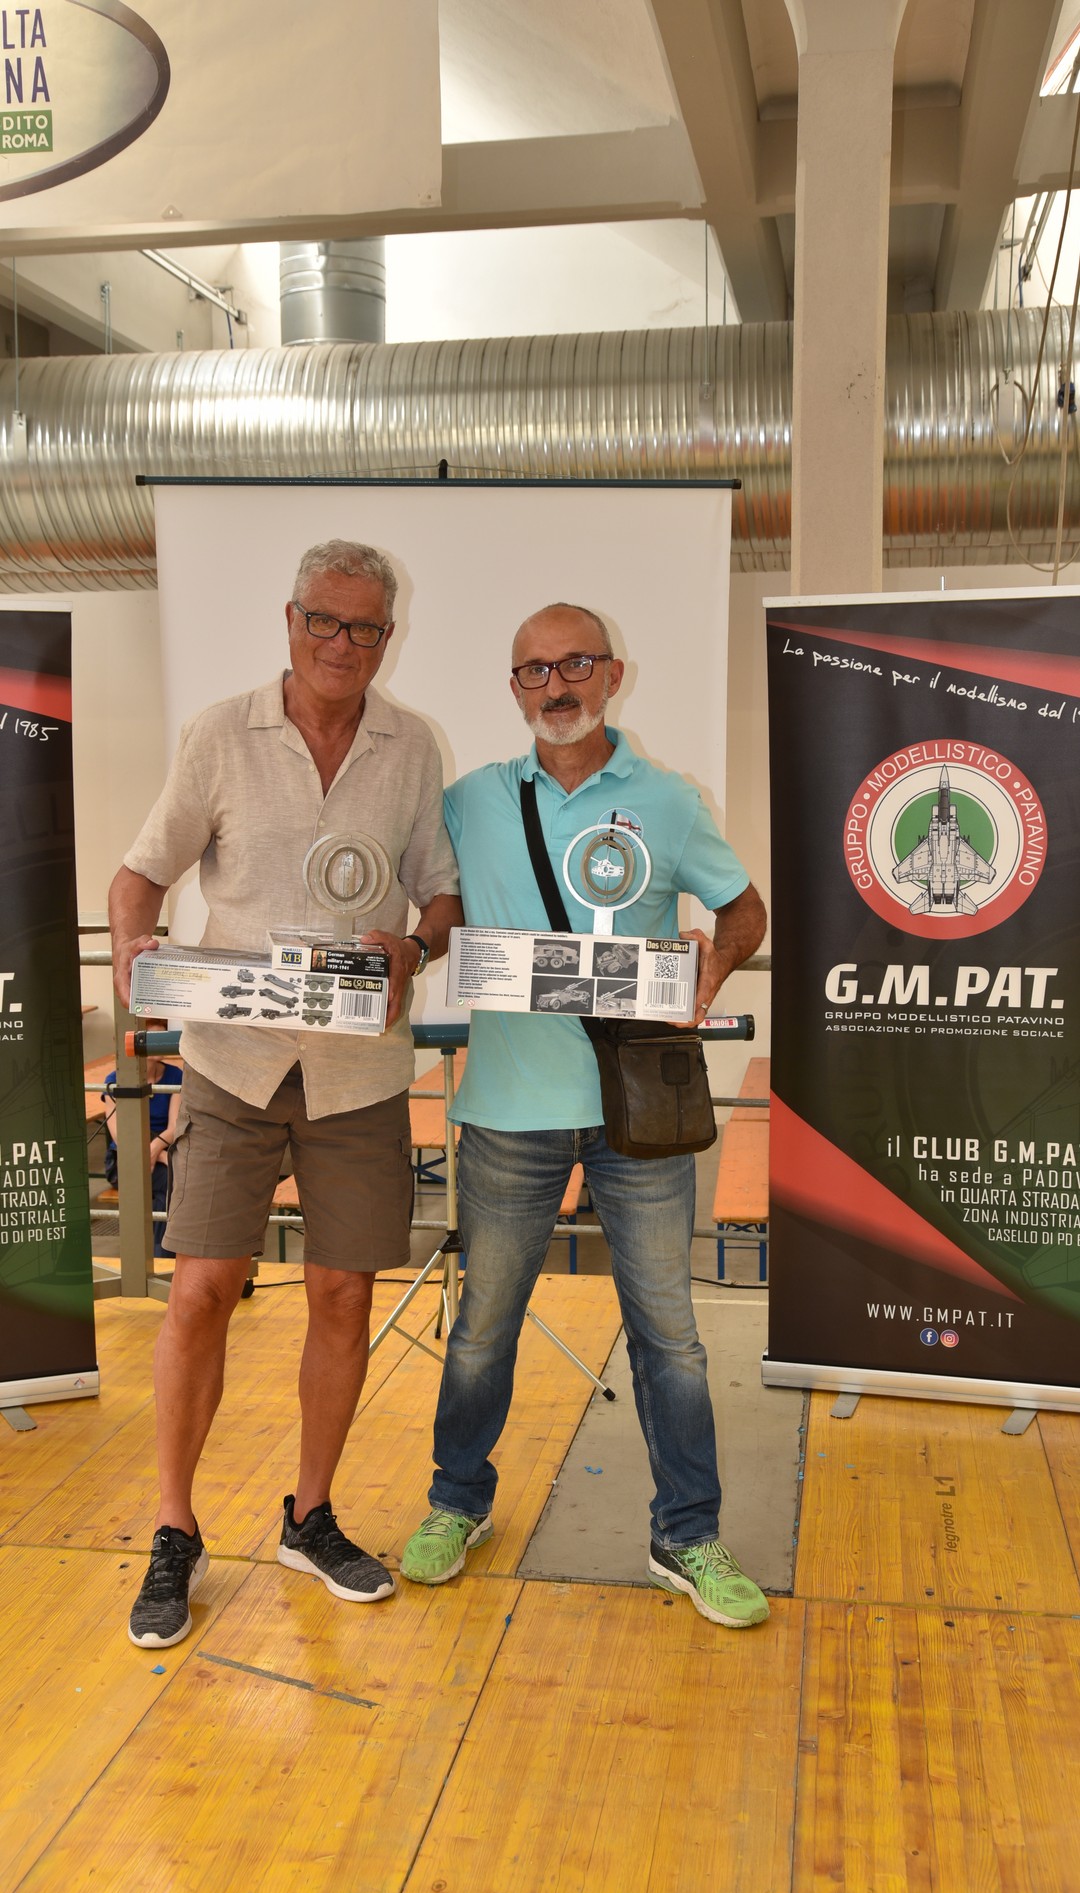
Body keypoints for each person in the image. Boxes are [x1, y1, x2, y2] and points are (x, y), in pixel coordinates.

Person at [110, 539, 462, 1649]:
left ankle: (309, 1518)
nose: (342, 644)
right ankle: (175, 1529)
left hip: (357, 1071)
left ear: (388, 637)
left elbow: (441, 895)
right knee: (201, 1291)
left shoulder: (414, 746)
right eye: (325, 621)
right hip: (233, 1060)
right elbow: (139, 875)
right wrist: (133, 956)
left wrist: (414, 946)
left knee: (343, 1297)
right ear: (291, 619)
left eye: (365, 628)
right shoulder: (220, 734)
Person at [400, 602, 770, 1630]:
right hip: (507, 1112)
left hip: (636, 1116)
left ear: (613, 673)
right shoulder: (471, 801)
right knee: (482, 1330)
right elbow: (432, 902)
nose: (555, 686)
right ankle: (456, 1504)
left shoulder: (668, 799)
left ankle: (687, 1535)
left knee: (672, 1339)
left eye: (575, 665)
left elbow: (744, 909)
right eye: (534, 670)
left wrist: (711, 967)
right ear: (514, 686)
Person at [101, 1019, 182, 1256]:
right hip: (126, 1159)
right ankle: (164, 1255)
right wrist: (160, 1156)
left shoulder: (175, 1075)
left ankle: (159, 1255)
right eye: (155, 1038)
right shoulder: (115, 1080)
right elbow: (121, 1137)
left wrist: (157, 1150)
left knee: (172, 1182)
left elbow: (174, 1127)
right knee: (171, 1180)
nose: (161, 1043)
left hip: (163, 1152)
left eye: (164, 1037)